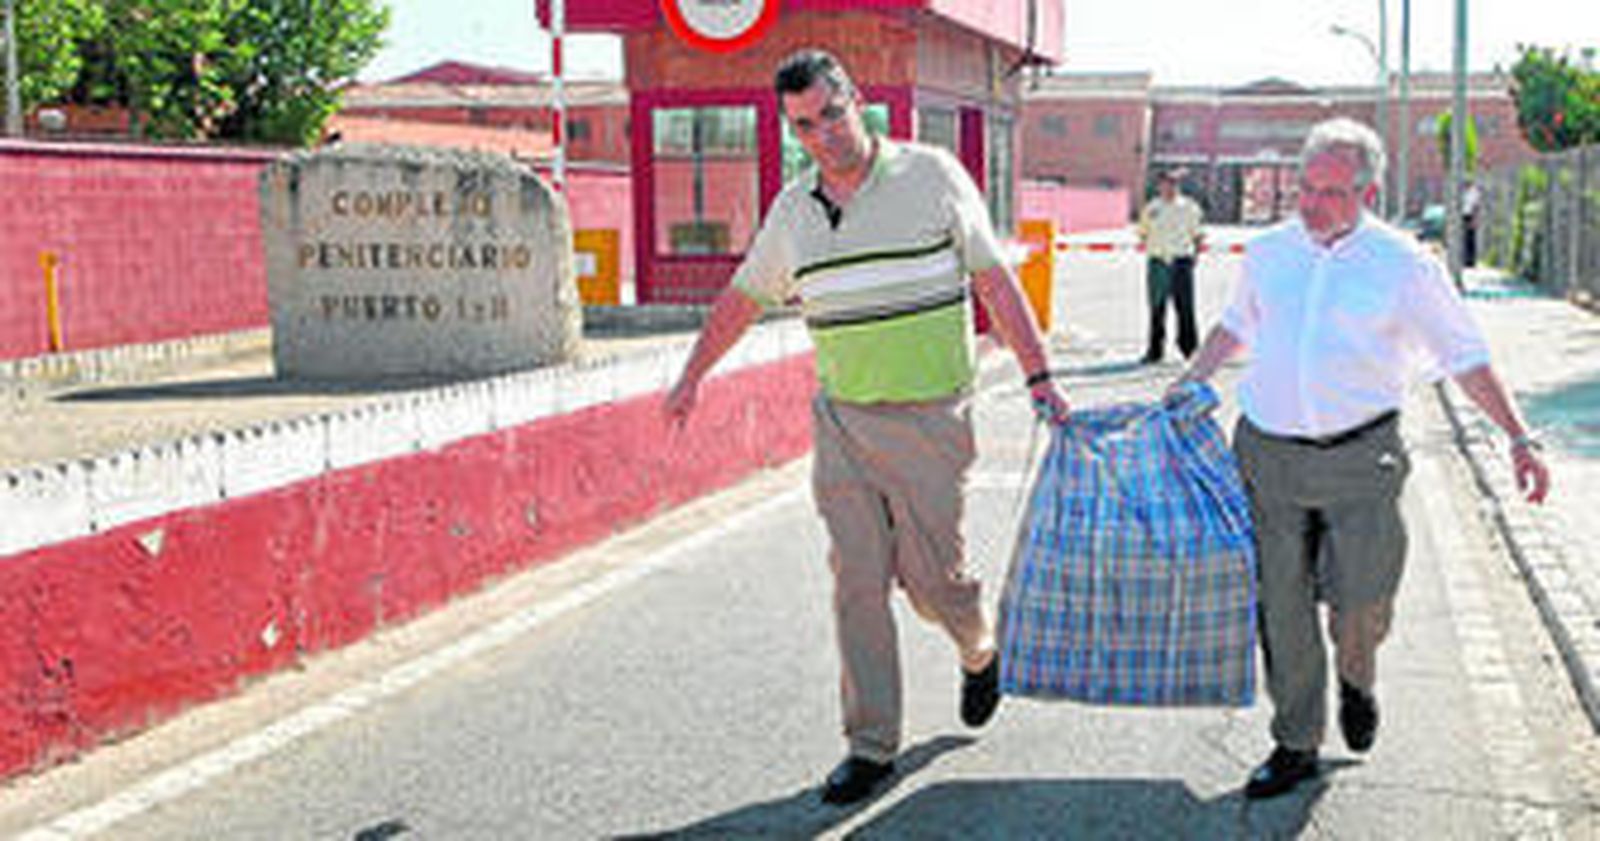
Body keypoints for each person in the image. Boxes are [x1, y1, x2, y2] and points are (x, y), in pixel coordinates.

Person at [662, 49, 1070, 807]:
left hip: (931, 416)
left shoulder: (932, 175)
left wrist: (1039, 375)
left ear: (856, 100)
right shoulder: (793, 210)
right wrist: (692, 375)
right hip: (843, 418)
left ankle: (978, 645)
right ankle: (870, 744)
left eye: (831, 113)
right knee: (856, 580)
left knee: (931, 583)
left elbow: (993, 278)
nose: (823, 134)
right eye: (804, 125)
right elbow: (744, 297)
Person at [1175, 117, 1551, 800]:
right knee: (1281, 605)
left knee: (1363, 601)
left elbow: (1465, 356)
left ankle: (1358, 676)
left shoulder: (1405, 265)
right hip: (1269, 456)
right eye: (1305, 189)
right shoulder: (1269, 253)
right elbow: (1236, 324)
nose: (1312, 205)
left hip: (1362, 459)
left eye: (1331, 192)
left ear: (1368, 192)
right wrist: (1191, 380)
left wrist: (1520, 437)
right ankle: (1296, 740)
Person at [1137, 169, 1205, 363]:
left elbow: (1198, 234)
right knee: (1157, 308)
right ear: (1159, 186)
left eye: (1173, 184)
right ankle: (1155, 351)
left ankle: (1189, 349)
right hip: (1158, 262)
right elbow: (1143, 233)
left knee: (1185, 308)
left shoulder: (1189, 207)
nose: (1169, 188)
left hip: (1181, 261)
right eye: (1165, 184)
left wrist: (1194, 257)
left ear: (1178, 186)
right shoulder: (1151, 208)